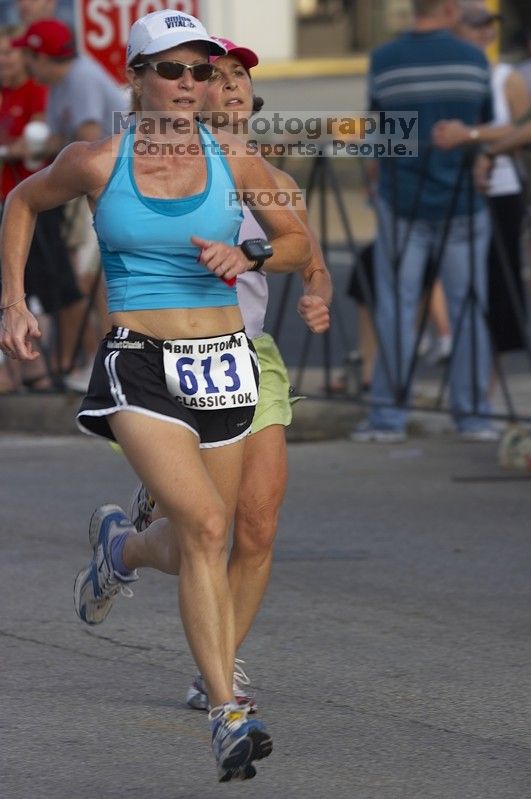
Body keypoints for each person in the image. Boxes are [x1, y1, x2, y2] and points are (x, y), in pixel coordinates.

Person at [0, 9, 311, 782]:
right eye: (171, 69)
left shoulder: (233, 155)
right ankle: (225, 711)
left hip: (226, 364)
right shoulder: (96, 159)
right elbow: (23, 203)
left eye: (200, 71)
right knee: (206, 525)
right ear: (137, 79)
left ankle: (120, 548)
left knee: (199, 541)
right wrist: (13, 299)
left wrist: (251, 251)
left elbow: (298, 240)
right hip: (140, 364)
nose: (188, 84)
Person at [127, 36, 332, 713]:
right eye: (220, 74)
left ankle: (217, 670)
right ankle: (122, 547)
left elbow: (309, 254)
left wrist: (314, 290)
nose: (235, 83)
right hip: (171, 359)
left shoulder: (269, 175)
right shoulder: (160, 164)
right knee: (195, 542)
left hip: (251, 353)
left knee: (257, 524)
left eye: (243, 74)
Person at [351, 0, 497, 444]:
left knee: (396, 306)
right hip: (463, 200)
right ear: (450, 9)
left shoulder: (384, 59)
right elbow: (485, 126)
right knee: (470, 306)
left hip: (402, 199)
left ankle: (389, 417)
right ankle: (473, 416)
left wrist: (374, 181)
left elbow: (381, 131)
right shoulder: (473, 59)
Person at [12, 17, 128, 391]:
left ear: (42, 57)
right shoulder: (63, 80)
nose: (25, 66)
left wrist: (36, 151)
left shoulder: (79, 78)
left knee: (88, 276)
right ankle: (101, 359)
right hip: (101, 187)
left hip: (108, 189)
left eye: (28, 57)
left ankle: (106, 361)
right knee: (88, 276)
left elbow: (88, 143)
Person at [433, 1, 531, 375]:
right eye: (477, 26)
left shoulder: (505, 76)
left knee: (497, 292)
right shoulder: (445, 72)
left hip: (498, 192)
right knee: (448, 284)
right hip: (447, 190)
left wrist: (473, 138)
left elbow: (522, 127)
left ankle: (487, 388)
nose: (486, 32)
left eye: (490, 25)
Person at [0, 23, 83, 392]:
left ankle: (63, 363)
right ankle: (22, 368)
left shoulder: (40, 90)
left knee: (59, 285)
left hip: (38, 202)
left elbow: (43, 141)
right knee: (18, 287)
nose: (4, 61)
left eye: (9, 53)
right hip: (11, 202)